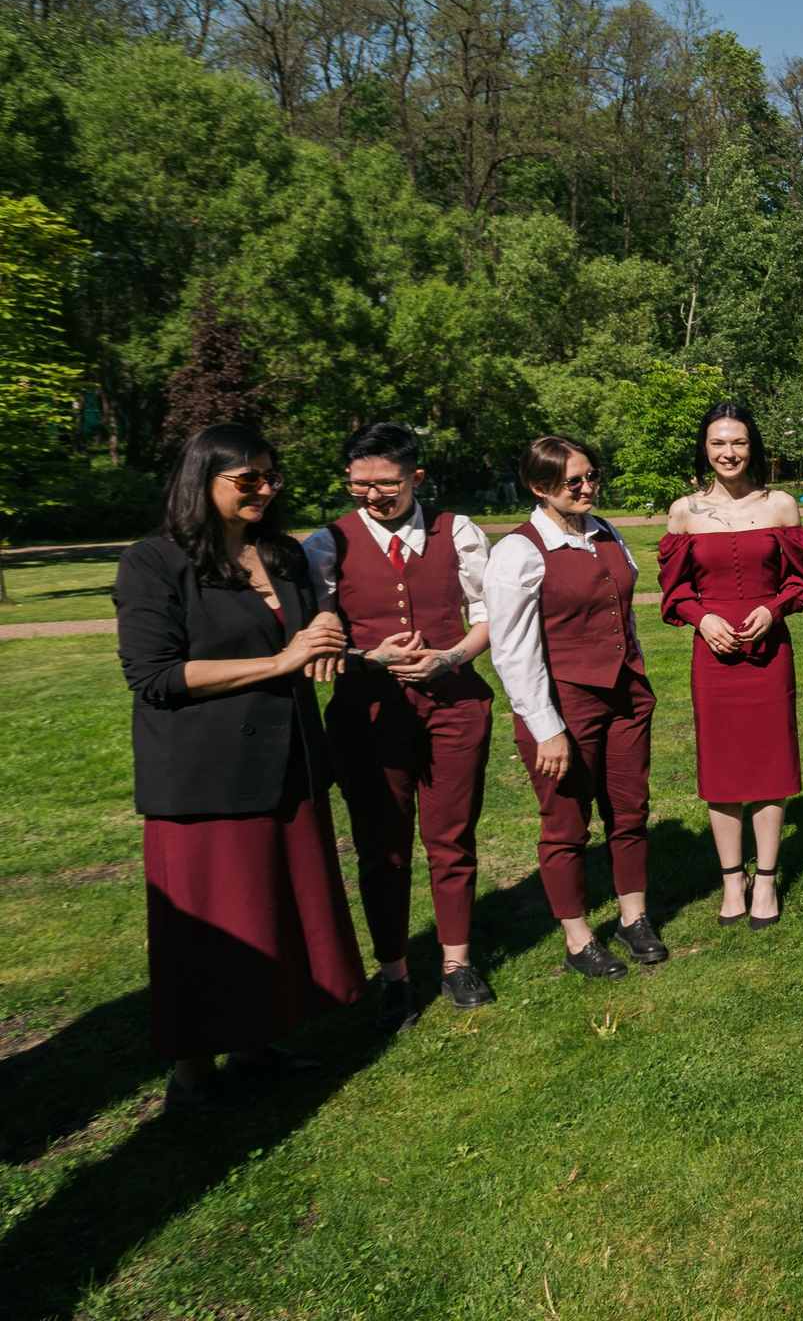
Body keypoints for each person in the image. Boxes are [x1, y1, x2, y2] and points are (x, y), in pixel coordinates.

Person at [115, 423, 364, 1112]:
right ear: (202, 480)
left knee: (275, 911)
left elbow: (309, 639)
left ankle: (258, 1042)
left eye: (270, 476)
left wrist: (335, 644)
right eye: (246, 478)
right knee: (209, 926)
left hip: (288, 764)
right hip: (205, 776)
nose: (264, 488)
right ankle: (191, 1076)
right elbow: (156, 676)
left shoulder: (282, 556)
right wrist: (283, 661)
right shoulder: (152, 563)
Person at [304, 423, 496, 1028]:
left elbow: (492, 612)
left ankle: (456, 961)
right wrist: (368, 658)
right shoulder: (324, 544)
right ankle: (392, 973)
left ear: (415, 478)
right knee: (380, 848)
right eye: (360, 485)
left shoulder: (457, 531)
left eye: (385, 485)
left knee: (452, 838)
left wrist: (449, 659)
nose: (372, 496)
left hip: (455, 706)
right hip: (369, 716)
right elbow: (313, 642)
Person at [485, 436, 667, 978]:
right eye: (574, 482)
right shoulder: (518, 551)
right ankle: (578, 937)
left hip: (626, 694)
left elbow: (623, 611)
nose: (589, 487)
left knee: (630, 810)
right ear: (540, 488)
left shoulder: (605, 532)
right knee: (566, 823)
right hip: (564, 703)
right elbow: (512, 650)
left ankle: (634, 918)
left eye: (592, 476)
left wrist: (632, 666)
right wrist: (546, 727)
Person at [658, 403, 803, 929]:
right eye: (718, 443)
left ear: (754, 448)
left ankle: (767, 881)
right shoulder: (683, 511)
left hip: (769, 653)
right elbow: (675, 591)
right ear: (704, 449)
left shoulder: (780, 506)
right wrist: (702, 619)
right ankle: (732, 881)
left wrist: (772, 609)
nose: (728, 453)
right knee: (722, 768)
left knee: (771, 766)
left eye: (738, 443)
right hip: (714, 657)